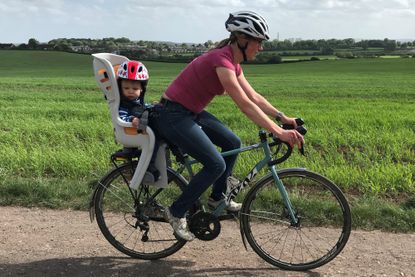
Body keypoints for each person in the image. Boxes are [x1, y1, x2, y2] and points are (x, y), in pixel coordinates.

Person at [154, 11, 304, 241]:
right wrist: (279, 132)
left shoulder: (232, 63)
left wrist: (282, 117)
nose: (261, 48)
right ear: (242, 40)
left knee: (232, 142)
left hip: (190, 112)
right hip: (172, 114)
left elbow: (253, 96)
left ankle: (217, 197)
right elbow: (244, 104)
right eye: (258, 42)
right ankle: (175, 211)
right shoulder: (221, 61)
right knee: (215, 164)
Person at [117, 60, 160, 182]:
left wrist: (152, 106)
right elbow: (122, 117)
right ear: (120, 89)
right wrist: (132, 119)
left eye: (135, 88)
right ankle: (140, 167)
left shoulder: (137, 102)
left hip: (139, 130)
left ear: (142, 89)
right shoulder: (123, 105)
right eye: (126, 88)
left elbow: (141, 108)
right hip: (131, 132)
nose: (130, 91)